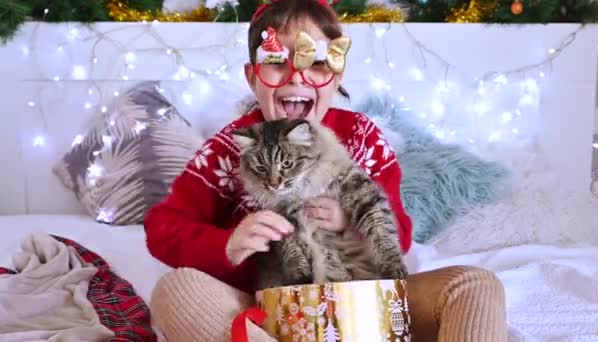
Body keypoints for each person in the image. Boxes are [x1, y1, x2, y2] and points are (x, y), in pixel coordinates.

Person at [144, 0, 507, 341]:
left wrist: (349, 221)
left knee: (475, 285)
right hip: (274, 309)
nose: (297, 77)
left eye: (316, 62)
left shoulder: (362, 137)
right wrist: (227, 244)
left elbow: (399, 232)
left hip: (371, 301)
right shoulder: (233, 146)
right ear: (253, 77)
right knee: (175, 290)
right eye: (277, 60)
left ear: (335, 75)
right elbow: (163, 228)